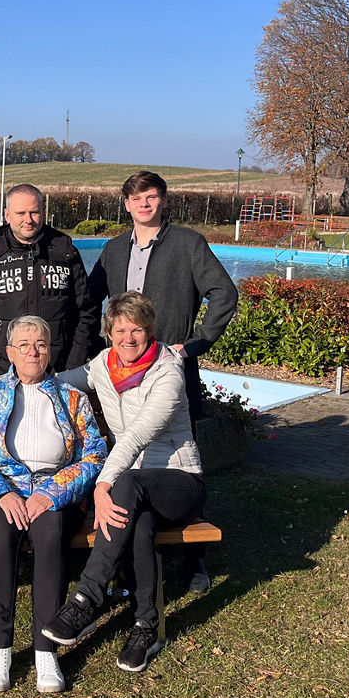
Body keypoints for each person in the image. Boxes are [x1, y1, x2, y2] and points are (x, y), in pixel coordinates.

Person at [87, 170, 237, 594]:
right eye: (137, 199)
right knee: (131, 463)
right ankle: (128, 561)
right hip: (123, 375)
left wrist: (193, 344)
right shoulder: (114, 250)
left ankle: (195, 560)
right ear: (126, 204)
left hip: (169, 372)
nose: (145, 205)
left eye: (151, 197)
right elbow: (87, 299)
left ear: (163, 200)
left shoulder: (188, 244)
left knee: (181, 462)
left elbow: (224, 293)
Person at [43, 291, 207, 673]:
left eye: (137, 330)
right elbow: (60, 381)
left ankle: (86, 599)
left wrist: (102, 486)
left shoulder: (168, 372)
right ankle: (147, 626)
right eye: (120, 330)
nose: (129, 338)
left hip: (182, 484)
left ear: (150, 331)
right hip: (134, 491)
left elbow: (135, 436)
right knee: (138, 524)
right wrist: (8, 382)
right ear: (109, 333)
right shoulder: (103, 364)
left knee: (128, 485)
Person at [0, 315, 106, 694]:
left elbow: (94, 455)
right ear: (9, 353)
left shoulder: (73, 398)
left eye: (40, 343)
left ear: (49, 349)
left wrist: (51, 494)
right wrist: (1, 494)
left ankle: (45, 649)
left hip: (55, 491)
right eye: (24, 345)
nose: (33, 351)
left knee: (51, 529)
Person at [0, 184, 96, 381]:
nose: (28, 220)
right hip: (3, 373)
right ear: (7, 215)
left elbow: (87, 312)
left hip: (58, 371)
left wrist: (72, 366)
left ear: (43, 212)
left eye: (34, 212)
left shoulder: (66, 253)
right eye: (21, 213)